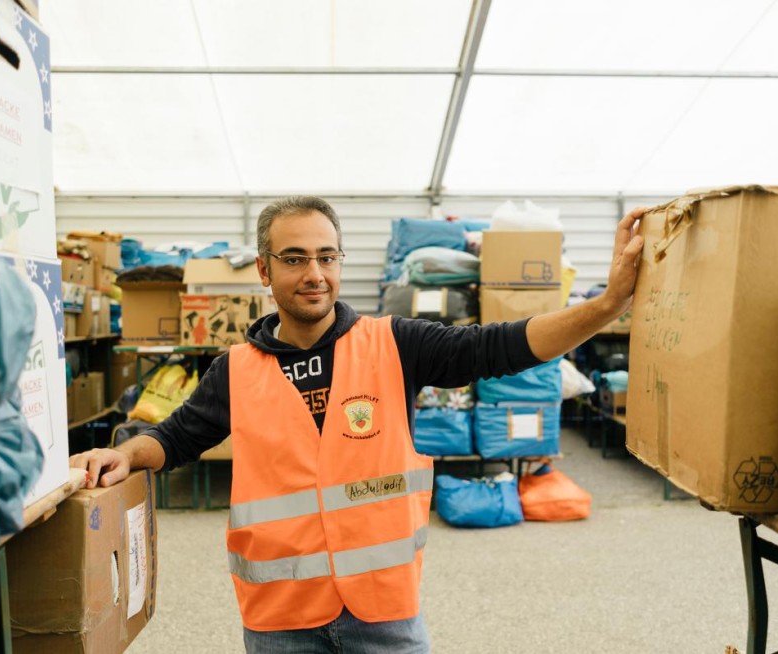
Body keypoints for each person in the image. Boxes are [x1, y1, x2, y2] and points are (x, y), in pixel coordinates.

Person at [69, 196, 645, 653]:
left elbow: (500, 348)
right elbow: (174, 438)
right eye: (294, 258)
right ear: (265, 272)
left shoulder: (395, 344)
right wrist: (126, 453)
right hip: (280, 618)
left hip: (384, 613)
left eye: (327, 256)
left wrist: (606, 305)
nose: (314, 272)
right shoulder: (235, 371)